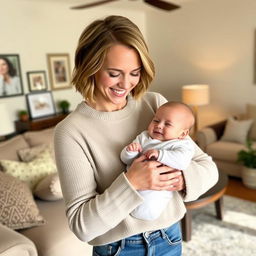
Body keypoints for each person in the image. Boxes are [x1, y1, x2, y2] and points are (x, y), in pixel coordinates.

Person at [54, 15, 218, 256]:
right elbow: (82, 226)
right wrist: (132, 182)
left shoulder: (155, 106)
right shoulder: (70, 132)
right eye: (114, 73)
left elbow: (208, 168)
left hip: (169, 238)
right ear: (90, 66)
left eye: (135, 72)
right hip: (118, 250)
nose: (126, 83)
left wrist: (179, 178)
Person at [121, 101, 195, 221]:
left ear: (183, 133)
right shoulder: (144, 137)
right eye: (156, 120)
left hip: (157, 192)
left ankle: (144, 214)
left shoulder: (182, 144)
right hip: (131, 187)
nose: (159, 125)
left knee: (149, 205)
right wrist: (130, 152)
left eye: (168, 124)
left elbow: (182, 161)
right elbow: (126, 161)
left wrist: (161, 154)